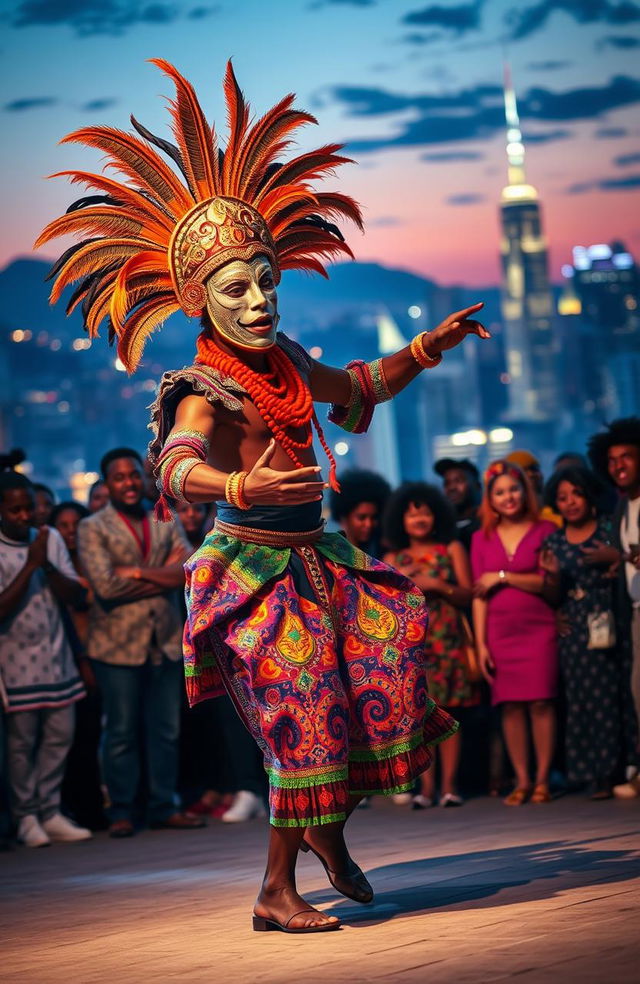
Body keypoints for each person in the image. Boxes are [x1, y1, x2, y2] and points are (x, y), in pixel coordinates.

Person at [38, 59, 488, 933]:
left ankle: (329, 839)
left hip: (323, 560)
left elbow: (358, 387)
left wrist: (426, 347)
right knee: (304, 719)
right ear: (200, 300)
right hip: (252, 575)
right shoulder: (205, 382)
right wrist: (237, 480)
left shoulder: (285, 361)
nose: (258, 298)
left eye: (265, 278)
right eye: (236, 286)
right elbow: (175, 463)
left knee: (377, 683)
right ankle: (277, 890)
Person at [76, 448, 205, 837]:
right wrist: (158, 574)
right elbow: (106, 586)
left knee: (166, 729)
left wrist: (133, 571)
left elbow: (189, 569)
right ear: (107, 483)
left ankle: (164, 805)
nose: (129, 483)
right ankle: (121, 811)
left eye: (134, 475)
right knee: (121, 731)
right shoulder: (92, 527)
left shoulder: (162, 514)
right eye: (119, 478)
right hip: (116, 645)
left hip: (164, 639)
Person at [0, 472, 91, 846]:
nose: (26, 516)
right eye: (16, 510)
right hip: (15, 662)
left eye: (29, 508)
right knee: (21, 744)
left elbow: (75, 596)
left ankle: (50, 810)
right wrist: (31, 565)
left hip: (57, 656)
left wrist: (46, 562)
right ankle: (26, 817)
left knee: (59, 736)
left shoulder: (48, 538)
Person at [384, 483, 476, 808]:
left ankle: (449, 787)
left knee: (449, 714)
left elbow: (468, 593)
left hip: (447, 639)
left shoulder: (450, 548)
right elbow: (382, 609)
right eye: (412, 513)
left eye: (424, 511)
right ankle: (425, 790)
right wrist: (406, 580)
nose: (419, 518)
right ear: (401, 520)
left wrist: (437, 585)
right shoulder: (393, 558)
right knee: (419, 717)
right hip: (412, 647)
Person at [471, 460, 558, 806]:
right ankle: (522, 780)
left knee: (541, 702)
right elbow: (479, 597)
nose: (509, 497)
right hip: (499, 632)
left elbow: (549, 585)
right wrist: (480, 644)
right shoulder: (481, 537)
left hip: (540, 629)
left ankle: (542, 780)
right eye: (500, 492)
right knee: (509, 707)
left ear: (526, 490)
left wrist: (503, 577)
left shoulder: (546, 530)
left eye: (514, 489)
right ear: (490, 499)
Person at [541, 467, 627, 798]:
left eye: (576, 494)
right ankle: (587, 773)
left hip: (609, 619)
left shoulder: (608, 529)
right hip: (574, 629)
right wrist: (551, 578)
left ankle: (614, 771)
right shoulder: (554, 541)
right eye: (562, 497)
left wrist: (614, 558)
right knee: (579, 702)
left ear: (589, 495)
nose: (570, 502)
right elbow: (552, 596)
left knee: (610, 699)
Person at [588, 418, 640, 798]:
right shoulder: (624, 507)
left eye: (627, 457)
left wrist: (620, 555)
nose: (618, 465)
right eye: (611, 460)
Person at [51, 501, 105, 829]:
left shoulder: (93, 560)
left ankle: (95, 806)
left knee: (96, 732)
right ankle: (76, 807)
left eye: (76, 524)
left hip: (102, 651)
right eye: (64, 525)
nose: (71, 531)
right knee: (75, 736)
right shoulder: (55, 568)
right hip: (70, 656)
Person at [328, 468, 391, 556]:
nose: (369, 524)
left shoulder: (383, 550)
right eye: (361, 518)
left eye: (374, 517)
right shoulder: (333, 553)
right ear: (344, 516)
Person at [433, 458, 481, 551]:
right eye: (447, 483)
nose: (451, 487)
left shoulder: (487, 524)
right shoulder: (439, 528)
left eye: (458, 481)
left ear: (477, 486)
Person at [506, 450, 561, 527]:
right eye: (524, 471)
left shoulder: (558, 508)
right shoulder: (507, 520)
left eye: (534, 469)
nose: (531, 474)